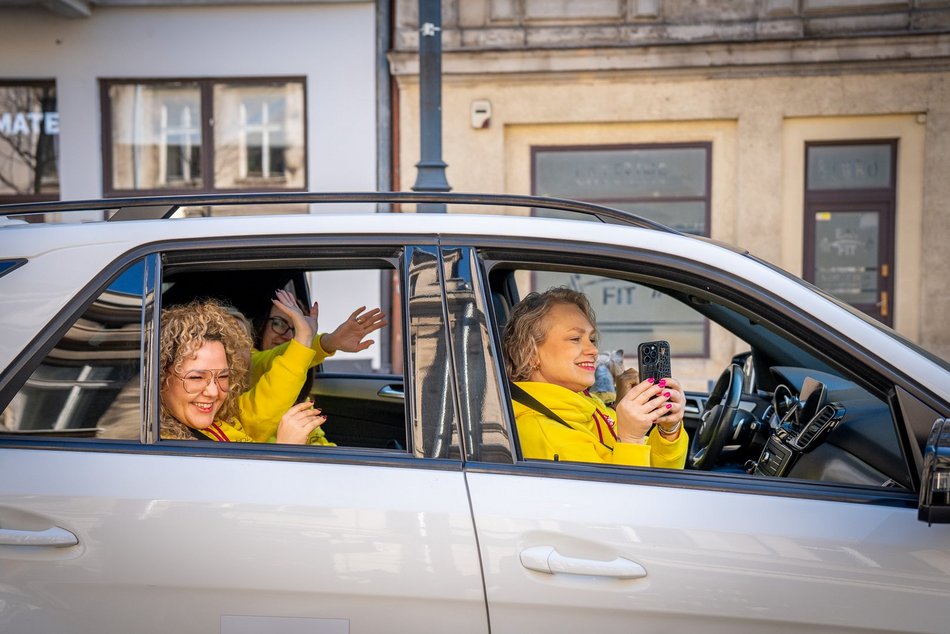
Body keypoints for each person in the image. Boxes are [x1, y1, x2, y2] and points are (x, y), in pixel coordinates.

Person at [502, 287, 688, 468]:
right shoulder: (542, 432)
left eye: (592, 340)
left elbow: (658, 473)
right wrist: (630, 439)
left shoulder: (586, 404)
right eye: (575, 338)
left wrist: (668, 430)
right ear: (529, 351)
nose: (594, 351)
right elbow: (622, 497)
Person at [159, 299, 325, 443]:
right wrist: (285, 449)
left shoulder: (223, 418)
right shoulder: (162, 446)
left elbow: (268, 402)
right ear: (161, 377)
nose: (213, 391)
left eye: (223, 376)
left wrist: (304, 338)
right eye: (196, 378)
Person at [239, 289, 387, 444]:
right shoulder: (247, 362)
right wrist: (318, 341)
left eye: (296, 328)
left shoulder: (296, 389)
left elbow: (318, 443)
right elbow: (275, 358)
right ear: (259, 323)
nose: (289, 336)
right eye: (278, 323)